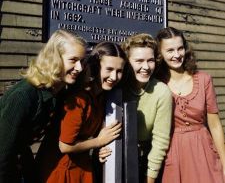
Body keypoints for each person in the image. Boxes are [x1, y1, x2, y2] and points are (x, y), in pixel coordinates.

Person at [0, 29, 87, 183]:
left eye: (82, 61)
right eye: (73, 60)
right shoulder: (23, 96)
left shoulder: (59, 91)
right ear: (54, 59)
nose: (79, 67)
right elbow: (3, 151)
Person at [43, 41, 127, 183]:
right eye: (109, 69)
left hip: (82, 167)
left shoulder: (102, 97)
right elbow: (65, 145)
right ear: (95, 68)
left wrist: (100, 150)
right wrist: (98, 141)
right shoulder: (78, 99)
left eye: (119, 71)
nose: (114, 77)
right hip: (61, 170)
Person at [99, 33, 172, 183]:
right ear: (127, 61)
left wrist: (149, 178)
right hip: (112, 159)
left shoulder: (161, 92)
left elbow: (160, 142)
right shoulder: (115, 86)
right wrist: (99, 147)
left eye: (150, 61)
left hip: (143, 163)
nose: (146, 67)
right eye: (139, 61)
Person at [156, 26, 225, 183]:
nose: (176, 55)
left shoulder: (203, 79)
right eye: (170, 50)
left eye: (180, 48)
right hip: (172, 153)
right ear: (160, 53)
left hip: (203, 151)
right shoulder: (157, 84)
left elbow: (215, 125)